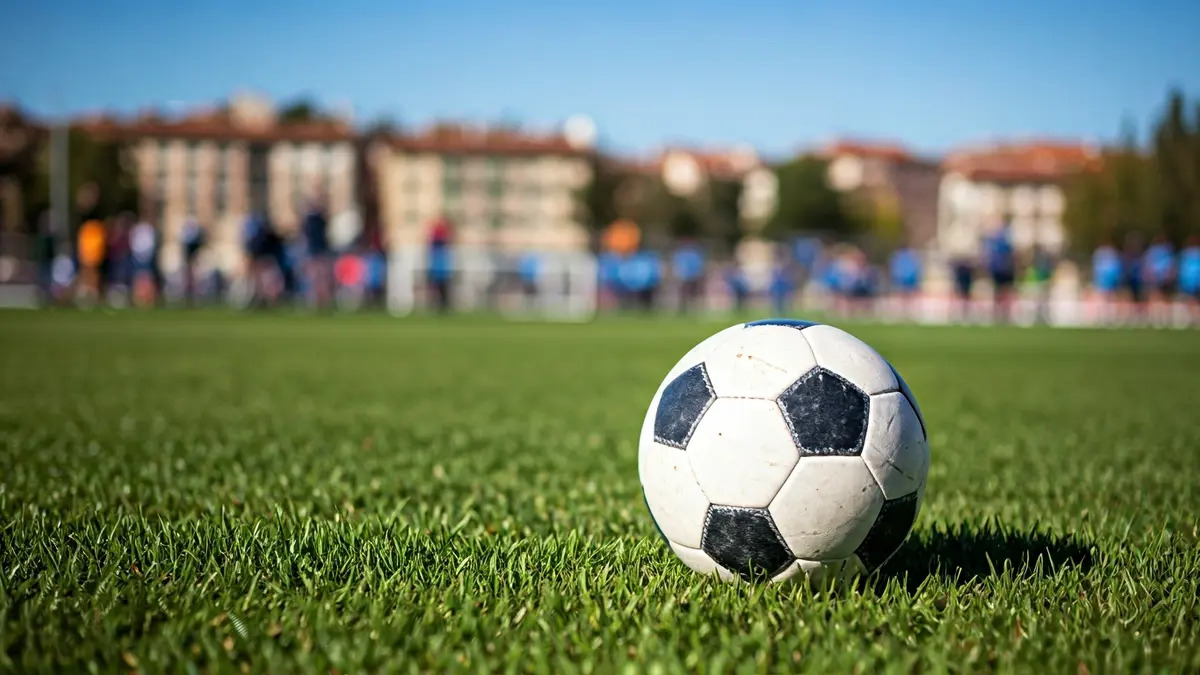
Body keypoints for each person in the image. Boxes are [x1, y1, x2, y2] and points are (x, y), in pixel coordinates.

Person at [301, 201, 333, 310]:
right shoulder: (313, 220)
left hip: (318, 252)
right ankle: (317, 301)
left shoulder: (316, 220)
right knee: (316, 279)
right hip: (315, 252)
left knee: (321, 279)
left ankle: (322, 301)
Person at [983, 222, 1016, 323]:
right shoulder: (995, 241)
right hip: (999, 270)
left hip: (1005, 269)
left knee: (1005, 291)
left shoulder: (1003, 241)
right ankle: (999, 313)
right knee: (999, 292)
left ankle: (1004, 313)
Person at [1143, 234, 1176, 326]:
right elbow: (1170, 264)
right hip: (1163, 276)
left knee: (1155, 296)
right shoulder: (1166, 250)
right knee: (1163, 296)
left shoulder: (1152, 251)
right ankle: (1163, 317)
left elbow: (1147, 264)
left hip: (1155, 276)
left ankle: (1154, 316)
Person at [75, 217, 106, 305]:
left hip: (95, 256)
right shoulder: (86, 229)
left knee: (93, 274)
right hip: (87, 255)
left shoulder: (96, 229)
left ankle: (93, 294)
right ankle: (85, 294)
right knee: (87, 273)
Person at [426, 216, 454, 313]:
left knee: (443, 288)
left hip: (442, 269)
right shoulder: (437, 245)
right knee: (437, 288)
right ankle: (437, 305)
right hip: (437, 268)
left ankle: (443, 305)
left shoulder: (442, 247)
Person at [1092, 242, 1123, 325]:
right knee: (1104, 298)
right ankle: (1104, 317)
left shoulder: (1107, 255)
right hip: (1104, 280)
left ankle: (1110, 317)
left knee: (1109, 298)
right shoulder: (1101, 254)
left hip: (1107, 280)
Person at [888, 245, 922, 321]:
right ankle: (907, 313)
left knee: (904, 298)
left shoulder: (898, 257)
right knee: (907, 298)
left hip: (903, 280)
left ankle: (904, 314)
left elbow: (896, 269)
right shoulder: (911, 256)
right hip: (909, 280)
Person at [672, 241, 706, 314]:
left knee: (693, 295)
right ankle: (683, 309)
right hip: (684, 277)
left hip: (692, 277)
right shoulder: (681, 254)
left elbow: (698, 266)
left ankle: (693, 309)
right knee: (684, 295)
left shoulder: (694, 255)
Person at [1121, 231, 1146, 325]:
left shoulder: (1139, 256)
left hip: (1138, 279)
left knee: (1139, 297)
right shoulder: (1128, 256)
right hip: (1130, 279)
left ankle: (1140, 316)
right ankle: (1129, 316)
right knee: (1128, 297)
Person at [1177, 236, 1200, 325]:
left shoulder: (1186, 254)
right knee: (1192, 299)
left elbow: (1183, 269)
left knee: (1192, 299)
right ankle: (1195, 318)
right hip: (1193, 280)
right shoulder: (1187, 254)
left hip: (1190, 280)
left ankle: (1194, 318)